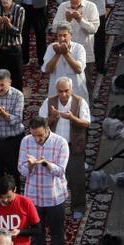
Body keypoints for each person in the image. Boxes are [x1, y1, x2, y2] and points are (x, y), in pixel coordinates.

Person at [39, 76, 91, 219]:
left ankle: (78, 207)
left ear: (71, 89)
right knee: (51, 179)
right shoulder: (49, 102)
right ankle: (53, 207)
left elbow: (86, 123)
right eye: (60, 91)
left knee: (77, 179)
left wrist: (72, 118)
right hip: (54, 148)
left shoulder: (80, 102)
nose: (63, 94)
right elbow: (39, 124)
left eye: (66, 91)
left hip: (74, 147)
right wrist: (53, 118)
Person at [17, 116, 70, 245]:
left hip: (54, 197)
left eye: (40, 135)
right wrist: (30, 166)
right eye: (33, 135)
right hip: (34, 198)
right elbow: (21, 170)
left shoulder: (61, 142)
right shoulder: (26, 141)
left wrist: (46, 164)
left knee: (57, 234)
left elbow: (61, 171)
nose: (36, 139)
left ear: (47, 129)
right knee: (36, 235)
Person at [0, 176, 42, 245]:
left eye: (8, 197)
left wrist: (20, 232)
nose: (5, 200)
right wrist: (0, 235)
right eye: (1, 197)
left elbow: (38, 229)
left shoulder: (26, 203)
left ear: (15, 189)